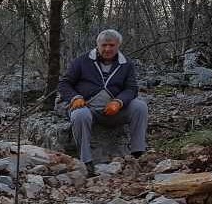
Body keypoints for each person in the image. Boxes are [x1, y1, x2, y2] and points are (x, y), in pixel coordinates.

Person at [58, 29, 148, 177]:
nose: (107, 49)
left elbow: (131, 88)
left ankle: (138, 153)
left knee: (140, 106)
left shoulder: (126, 64)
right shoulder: (82, 61)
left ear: (118, 45)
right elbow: (64, 84)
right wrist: (75, 97)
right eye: (104, 45)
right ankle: (86, 161)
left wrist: (119, 102)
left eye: (111, 45)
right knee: (80, 114)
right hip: (87, 107)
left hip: (113, 110)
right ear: (97, 45)